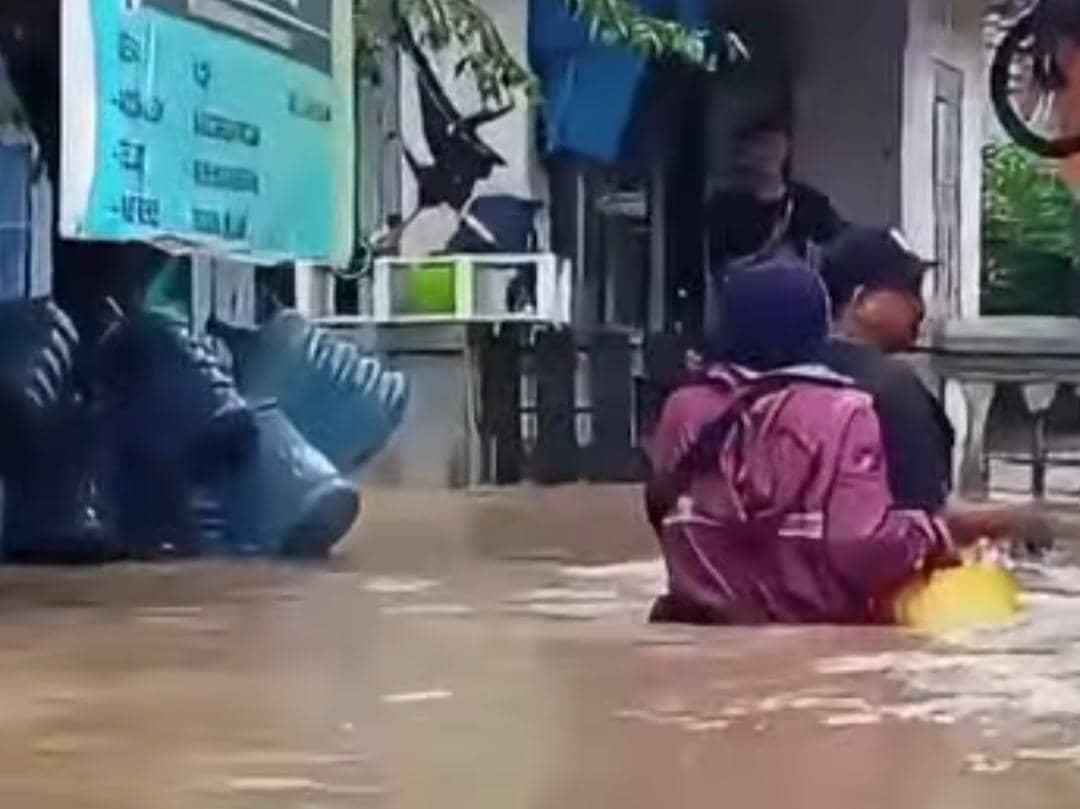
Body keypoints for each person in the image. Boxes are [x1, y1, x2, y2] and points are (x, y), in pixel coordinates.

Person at [645, 258, 1043, 626]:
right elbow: (863, 544)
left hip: (703, 627)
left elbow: (665, 512)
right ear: (816, 331)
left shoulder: (685, 408)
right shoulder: (844, 412)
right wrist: (940, 535)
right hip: (808, 640)